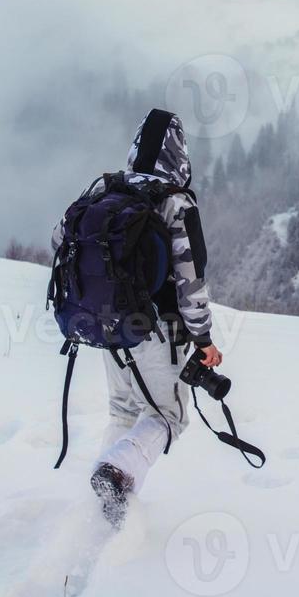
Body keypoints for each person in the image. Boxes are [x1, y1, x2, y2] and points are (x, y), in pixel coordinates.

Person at [51, 109, 221, 523]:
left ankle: (107, 506)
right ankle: (118, 475)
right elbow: (189, 280)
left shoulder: (104, 190)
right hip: (155, 329)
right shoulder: (175, 202)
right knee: (167, 416)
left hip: (106, 323)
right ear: (179, 154)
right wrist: (203, 340)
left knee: (124, 411)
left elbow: (59, 239)